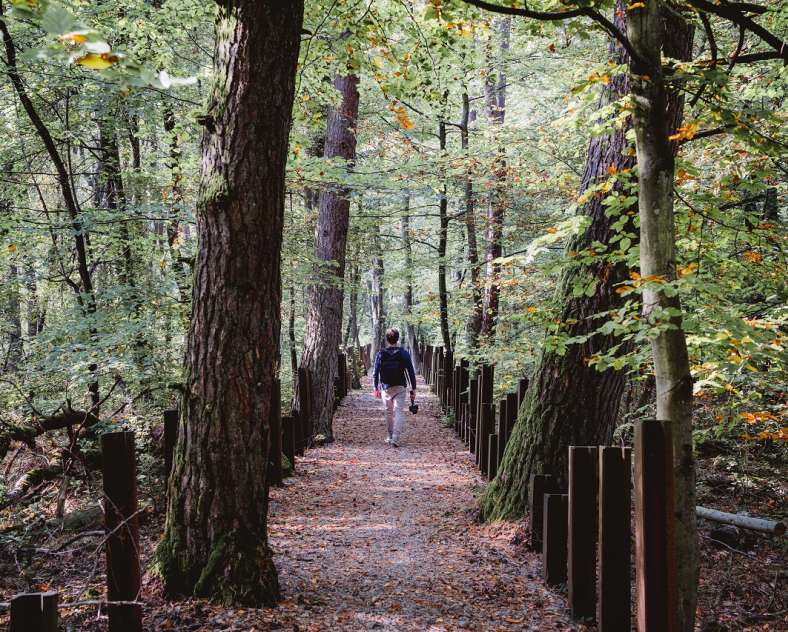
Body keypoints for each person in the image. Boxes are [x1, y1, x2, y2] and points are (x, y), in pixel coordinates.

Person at [373, 328, 417, 447]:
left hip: (386, 387)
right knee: (399, 411)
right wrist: (414, 388)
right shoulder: (403, 353)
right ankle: (396, 437)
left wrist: (375, 387)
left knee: (388, 412)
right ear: (397, 339)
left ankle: (391, 435)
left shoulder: (381, 354)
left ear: (387, 339)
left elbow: (375, 372)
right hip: (400, 386)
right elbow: (411, 372)